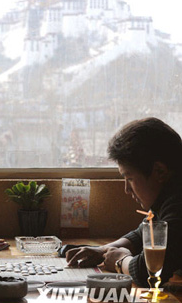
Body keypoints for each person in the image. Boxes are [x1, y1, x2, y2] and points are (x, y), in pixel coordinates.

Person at [66, 117, 182, 287]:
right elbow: (142, 234)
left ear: (159, 171)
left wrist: (120, 261)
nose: (127, 189)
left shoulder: (178, 204)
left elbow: (150, 272)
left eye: (130, 178)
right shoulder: (167, 197)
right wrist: (102, 251)